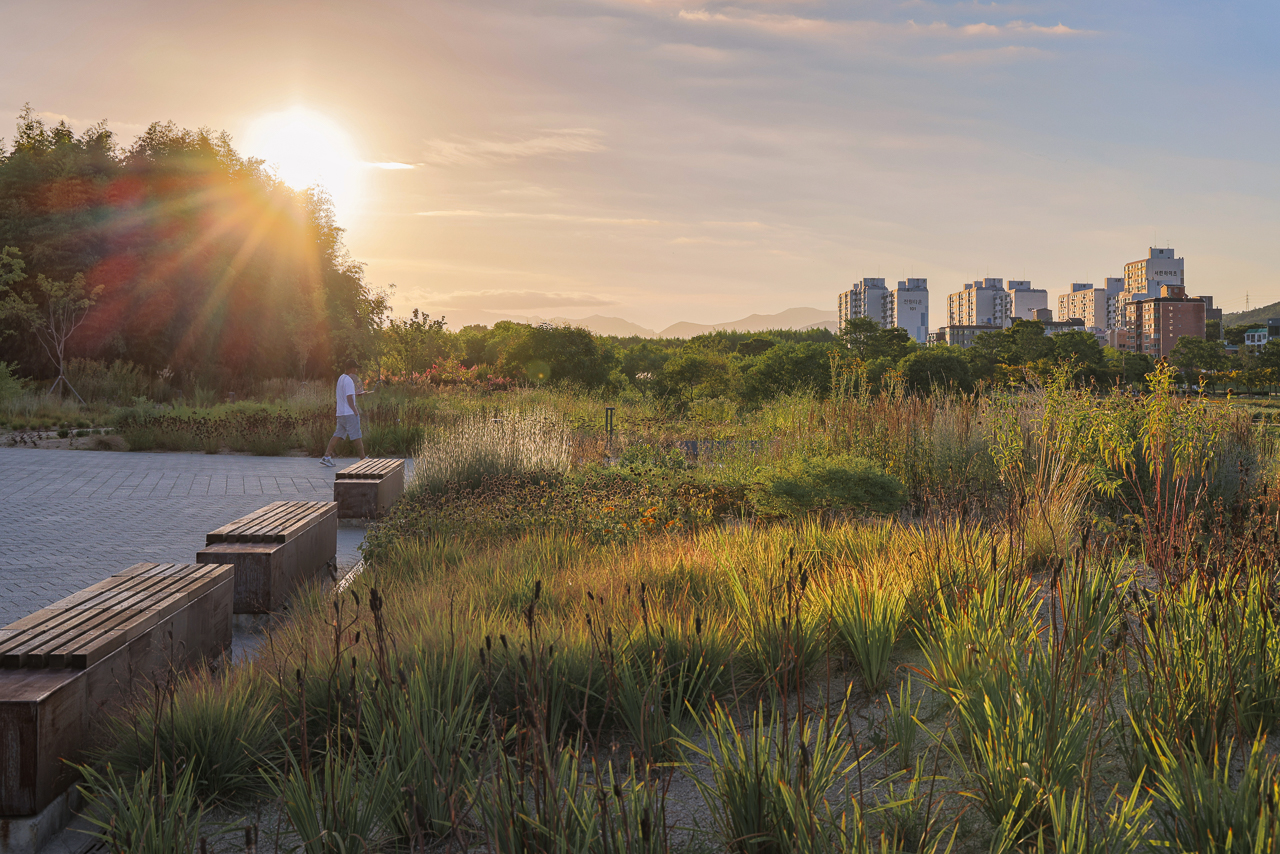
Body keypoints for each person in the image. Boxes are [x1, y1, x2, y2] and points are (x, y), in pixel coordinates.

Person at [321, 359, 371, 466]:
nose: (356, 370)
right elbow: (348, 398)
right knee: (356, 435)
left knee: (338, 434)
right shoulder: (349, 380)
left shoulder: (341, 378)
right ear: (352, 368)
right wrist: (355, 410)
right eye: (355, 368)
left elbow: (347, 394)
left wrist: (356, 393)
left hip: (341, 413)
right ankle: (363, 459)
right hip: (349, 414)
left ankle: (327, 456)